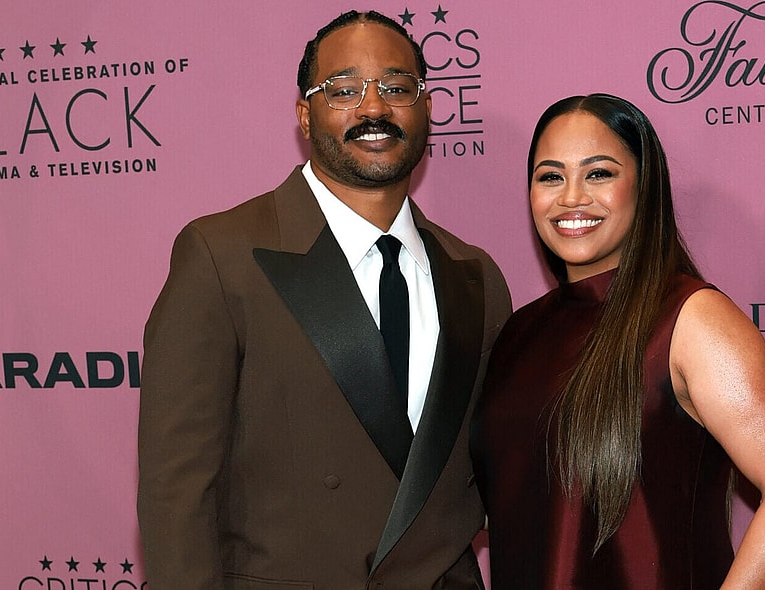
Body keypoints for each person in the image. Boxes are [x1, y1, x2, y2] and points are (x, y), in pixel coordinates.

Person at [138, 10, 511, 589]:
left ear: (428, 107)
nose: (373, 109)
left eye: (396, 87)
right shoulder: (222, 256)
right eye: (343, 90)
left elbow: (498, 476)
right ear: (304, 115)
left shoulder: (477, 277)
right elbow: (176, 493)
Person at [470, 94, 765, 589]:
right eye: (550, 176)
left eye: (599, 173)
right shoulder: (518, 333)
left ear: (644, 184)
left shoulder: (691, 318)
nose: (571, 196)